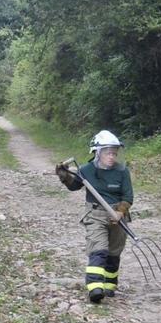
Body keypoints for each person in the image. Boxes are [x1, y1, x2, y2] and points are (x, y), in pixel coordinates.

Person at [56, 130, 133, 304]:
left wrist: (121, 211)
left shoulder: (122, 171)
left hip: (118, 217)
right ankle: (95, 288)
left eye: (114, 153)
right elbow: (74, 186)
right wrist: (65, 176)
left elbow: (128, 196)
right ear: (97, 153)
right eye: (108, 153)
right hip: (95, 214)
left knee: (113, 253)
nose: (112, 156)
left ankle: (109, 285)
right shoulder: (86, 170)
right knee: (98, 249)